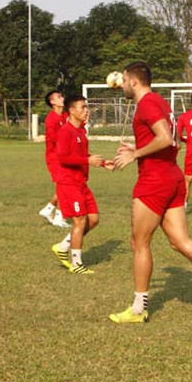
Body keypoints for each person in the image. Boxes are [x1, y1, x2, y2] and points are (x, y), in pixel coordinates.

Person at [109, 62, 192, 324]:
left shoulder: (147, 104)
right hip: (172, 177)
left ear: (134, 81)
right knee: (180, 241)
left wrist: (135, 153)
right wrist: (136, 145)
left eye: (123, 80)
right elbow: (166, 139)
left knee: (139, 244)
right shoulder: (160, 103)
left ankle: (138, 309)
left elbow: (166, 138)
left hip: (154, 180)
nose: (121, 85)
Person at [50, 95, 109, 274]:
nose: (86, 110)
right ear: (72, 111)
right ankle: (76, 264)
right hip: (68, 183)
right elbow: (63, 157)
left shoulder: (81, 131)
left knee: (93, 219)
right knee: (79, 221)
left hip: (81, 183)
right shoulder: (65, 131)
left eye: (86, 107)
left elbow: (82, 154)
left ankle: (63, 246)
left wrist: (104, 162)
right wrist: (87, 160)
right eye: (82, 107)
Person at [38, 90, 70, 228]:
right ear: (52, 102)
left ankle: (49, 209)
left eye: (62, 95)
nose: (62, 98)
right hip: (55, 157)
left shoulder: (65, 115)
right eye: (59, 97)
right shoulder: (51, 119)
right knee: (64, 186)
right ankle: (59, 217)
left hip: (65, 156)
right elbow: (54, 139)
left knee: (65, 186)